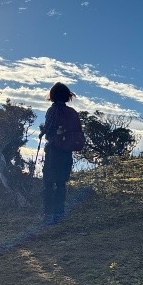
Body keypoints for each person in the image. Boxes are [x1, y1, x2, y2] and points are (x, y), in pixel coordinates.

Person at [40, 82, 85, 224]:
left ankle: (48, 214)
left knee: (48, 183)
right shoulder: (72, 113)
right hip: (67, 151)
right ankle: (59, 214)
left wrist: (45, 133)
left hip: (54, 150)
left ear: (52, 95)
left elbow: (48, 131)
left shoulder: (53, 110)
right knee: (61, 183)